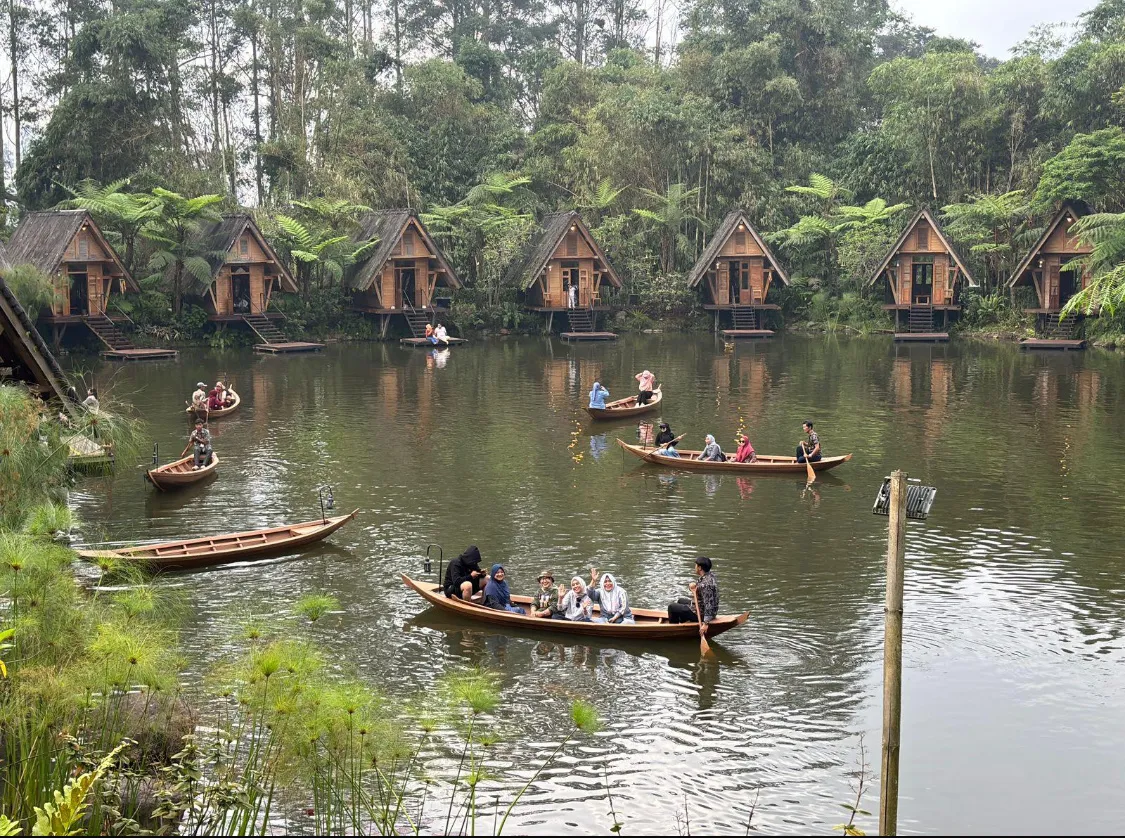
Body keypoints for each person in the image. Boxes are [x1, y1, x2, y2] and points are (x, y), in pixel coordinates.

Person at [667, 557, 719, 635]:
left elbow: (709, 604)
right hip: (700, 606)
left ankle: (673, 630)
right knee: (680, 601)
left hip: (700, 613)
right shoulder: (710, 575)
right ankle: (686, 622)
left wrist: (706, 623)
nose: (694, 567)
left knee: (671, 607)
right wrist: (694, 585)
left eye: (696, 565)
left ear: (700, 568)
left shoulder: (706, 585)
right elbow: (699, 586)